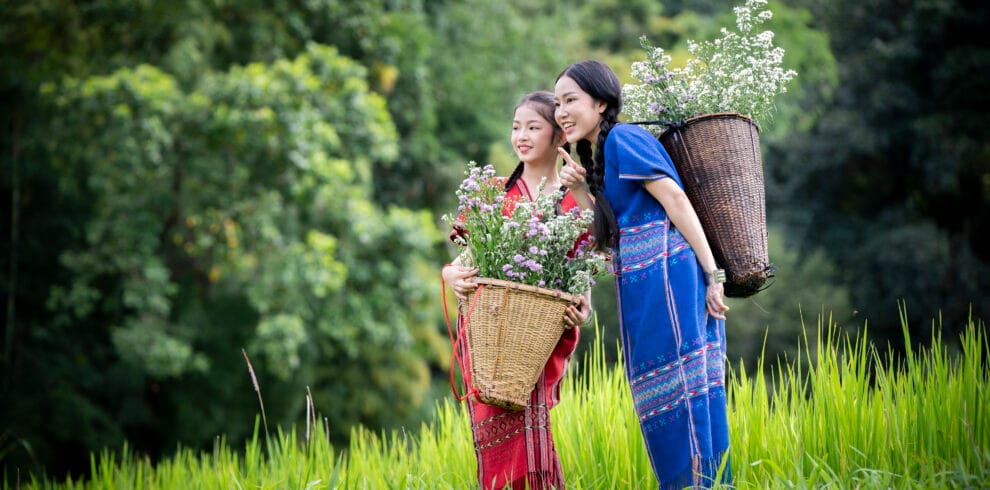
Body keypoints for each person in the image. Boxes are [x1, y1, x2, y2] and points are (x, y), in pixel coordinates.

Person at [553, 60, 731, 489]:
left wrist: (713, 274)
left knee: (684, 395)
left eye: (570, 100)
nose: (561, 111)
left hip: (669, 279)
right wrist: (579, 190)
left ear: (601, 102)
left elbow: (675, 200)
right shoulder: (605, 152)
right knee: (663, 397)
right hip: (643, 286)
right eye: (557, 102)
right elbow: (613, 233)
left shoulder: (625, 138)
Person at [441, 90, 592, 489]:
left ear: (560, 137)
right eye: (516, 126)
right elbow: (464, 262)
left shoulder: (573, 201)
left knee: (535, 438)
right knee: (495, 430)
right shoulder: (493, 192)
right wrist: (449, 276)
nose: (521, 136)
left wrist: (583, 311)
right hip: (491, 336)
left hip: (538, 338)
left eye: (533, 127)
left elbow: (583, 281)